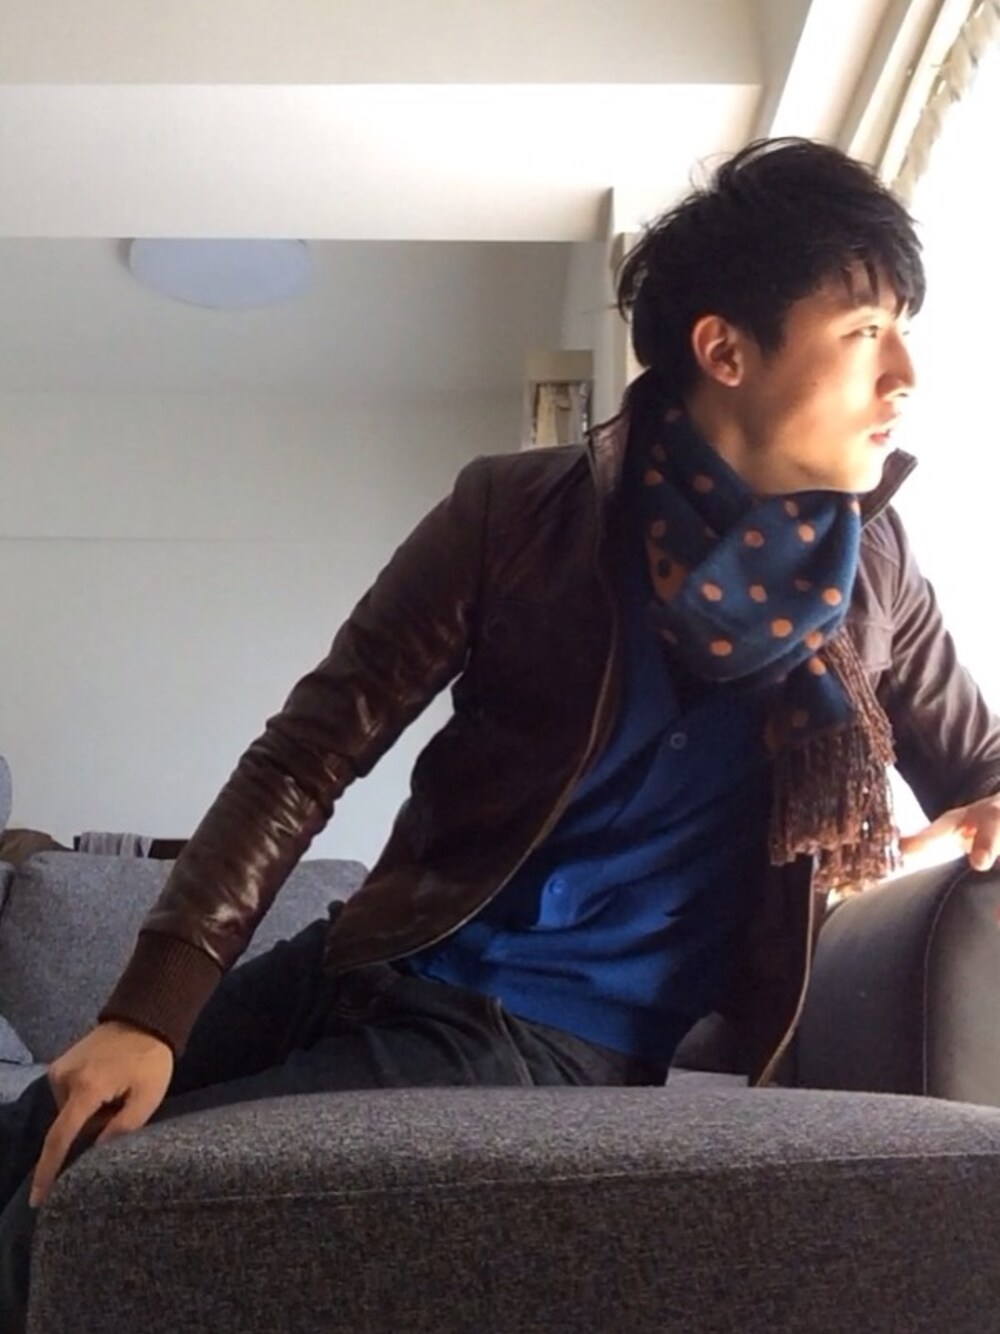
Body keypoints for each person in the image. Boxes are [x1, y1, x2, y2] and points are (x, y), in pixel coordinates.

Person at [4, 136, 1000, 1326]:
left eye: (901, 331)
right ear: (724, 350)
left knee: (87, 1196)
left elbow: (982, 762)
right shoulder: (517, 512)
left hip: (549, 1041)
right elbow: (307, 753)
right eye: (863, 332)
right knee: (33, 1125)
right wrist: (146, 1010)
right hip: (368, 960)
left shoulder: (877, 574)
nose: (905, 374)